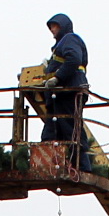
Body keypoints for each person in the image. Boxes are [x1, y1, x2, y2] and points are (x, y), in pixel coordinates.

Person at [41, 13, 92, 172]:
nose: (52, 30)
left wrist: (57, 77)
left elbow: (74, 60)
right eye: (51, 27)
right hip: (61, 94)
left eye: (55, 26)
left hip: (70, 91)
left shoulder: (70, 39)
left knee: (70, 127)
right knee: (54, 131)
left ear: (63, 26)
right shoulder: (60, 46)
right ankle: (56, 165)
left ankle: (83, 166)